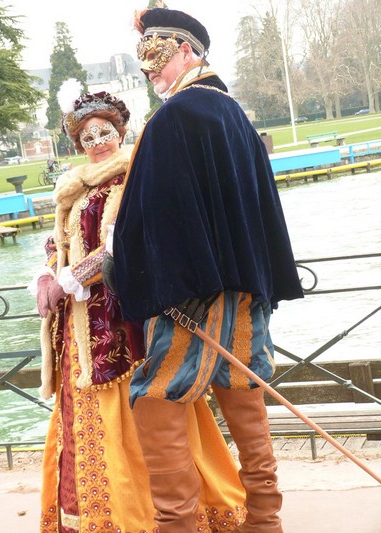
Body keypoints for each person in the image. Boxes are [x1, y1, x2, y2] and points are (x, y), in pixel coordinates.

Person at [109, 8, 304, 533]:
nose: (150, 70)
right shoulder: (229, 111)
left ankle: (178, 526)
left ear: (188, 50)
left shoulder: (176, 116)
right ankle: (264, 520)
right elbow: (253, 209)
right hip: (242, 289)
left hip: (190, 293)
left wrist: (164, 281)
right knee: (242, 390)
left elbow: (166, 209)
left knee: (156, 395)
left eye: (157, 56)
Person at [33, 80, 247, 532]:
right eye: (86, 138)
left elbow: (121, 243)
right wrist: (49, 274)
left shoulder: (135, 176)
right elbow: (60, 240)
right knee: (83, 413)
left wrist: (71, 279)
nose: (96, 144)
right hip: (77, 327)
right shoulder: (73, 187)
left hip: (122, 318)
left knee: (148, 413)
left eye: (103, 133)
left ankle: (154, 517)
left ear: (120, 131)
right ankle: (95, 516)